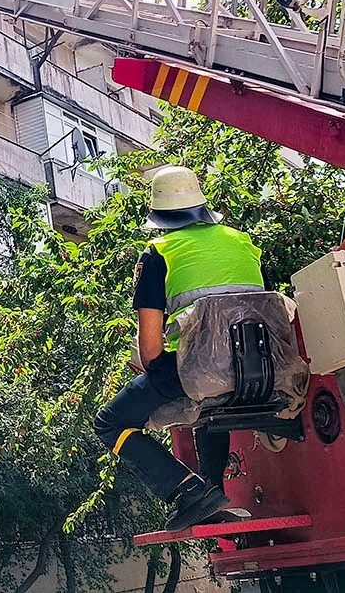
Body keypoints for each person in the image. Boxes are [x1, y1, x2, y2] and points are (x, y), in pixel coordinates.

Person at [93, 166, 265, 531]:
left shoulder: (158, 253)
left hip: (201, 367)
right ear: (201, 206)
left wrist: (149, 368)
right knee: (209, 401)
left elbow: (151, 346)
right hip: (260, 364)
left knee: (111, 422)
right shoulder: (242, 241)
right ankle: (212, 492)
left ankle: (187, 491)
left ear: (159, 215)